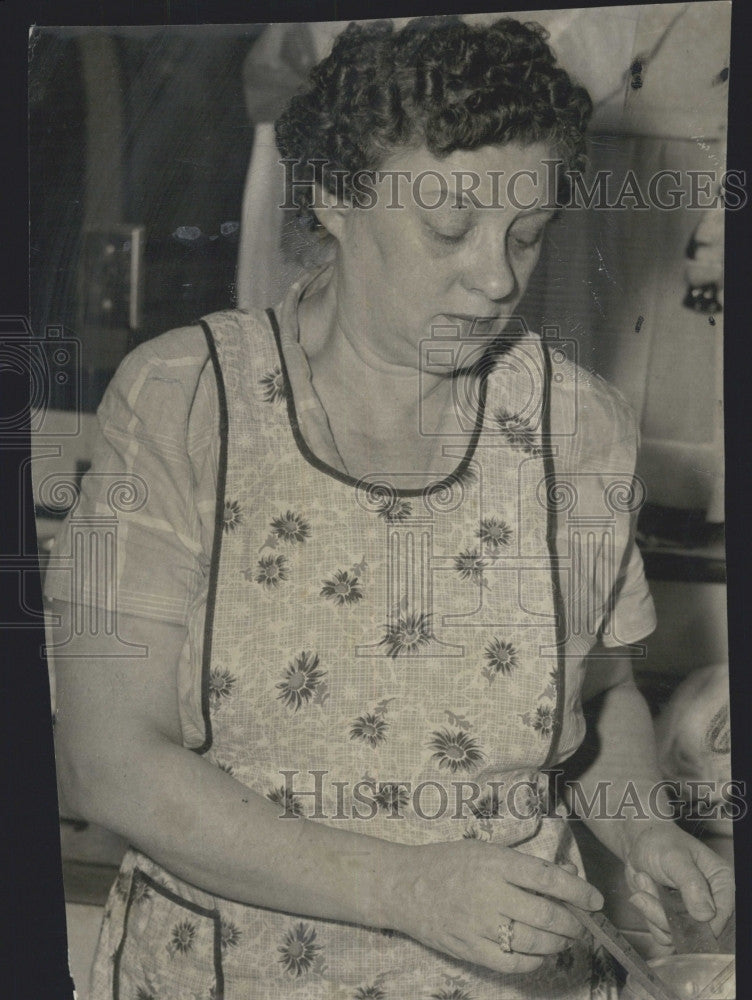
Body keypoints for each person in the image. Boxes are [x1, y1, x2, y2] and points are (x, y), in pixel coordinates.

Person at [48, 17, 733, 1000]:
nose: (495, 278)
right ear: (336, 196)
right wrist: (398, 883)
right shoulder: (180, 403)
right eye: (448, 227)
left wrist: (641, 823)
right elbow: (109, 763)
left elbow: (597, 694)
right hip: (232, 974)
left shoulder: (577, 428)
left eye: (526, 234)